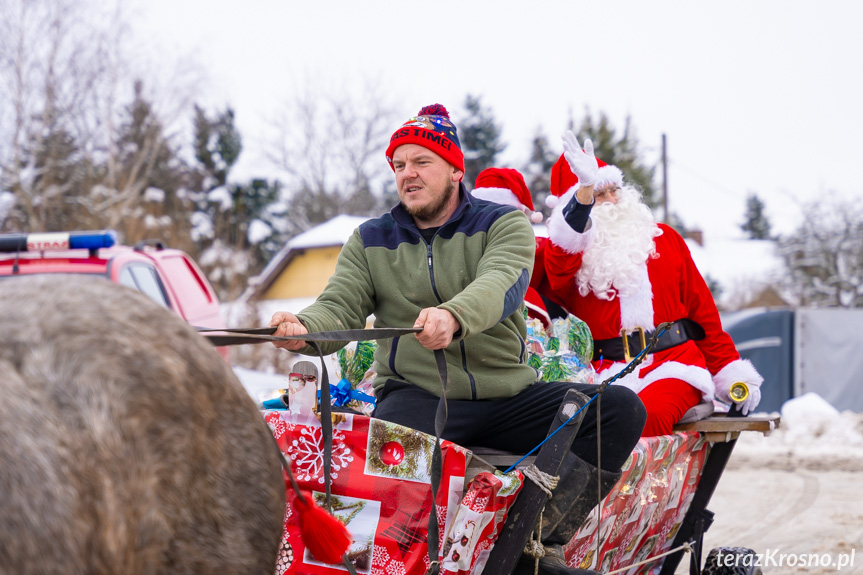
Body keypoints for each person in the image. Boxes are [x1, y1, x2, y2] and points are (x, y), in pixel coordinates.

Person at [269, 105, 646, 575]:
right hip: (417, 396)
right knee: (388, 453)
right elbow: (339, 305)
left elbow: (500, 286)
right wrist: (305, 331)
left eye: (421, 162)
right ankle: (390, 560)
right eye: (399, 165)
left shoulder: (502, 224)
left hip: (510, 396)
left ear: (454, 169)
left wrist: (453, 316)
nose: (408, 174)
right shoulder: (370, 240)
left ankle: (536, 538)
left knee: (620, 410)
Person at [541, 131, 764, 437]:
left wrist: (729, 372)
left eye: (613, 190)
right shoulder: (570, 255)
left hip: (672, 365)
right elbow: (558, 259)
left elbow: (704, 316)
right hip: (604, 373)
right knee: (590, 431)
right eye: (597, 195)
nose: (610, 201)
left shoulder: (665, 239)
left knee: (644, 416)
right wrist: (583, 193)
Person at [471, 166, 552, 327]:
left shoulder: (540, 248)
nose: (496, 222)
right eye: (487, 213)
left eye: (505, 214)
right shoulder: (464, 244)